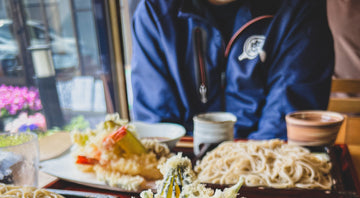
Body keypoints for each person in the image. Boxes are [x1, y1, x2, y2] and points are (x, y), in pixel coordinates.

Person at [130, 0, 334, 140]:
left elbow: (285, 124)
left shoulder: (299, 8)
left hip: (265, 170)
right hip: (183, 175)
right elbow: (158, 128)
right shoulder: (155, 12)